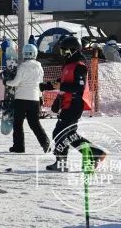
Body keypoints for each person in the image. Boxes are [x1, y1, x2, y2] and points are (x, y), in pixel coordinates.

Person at [46, 36, 106, 171]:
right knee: (68, 135)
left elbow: (78, 88)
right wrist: (46, 87)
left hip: (75, 104)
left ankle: (63, 163)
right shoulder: (67, 65)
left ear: (73, 50)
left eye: (65, 51)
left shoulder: (80, 66)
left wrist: (60, 86)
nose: (63, 54)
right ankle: (94, 154)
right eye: (62, 51)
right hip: (67, 104)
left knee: (60, 132)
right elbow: (62, 83)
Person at [5, 44, 50, 153]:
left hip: (21, 99)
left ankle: (19, 146)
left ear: (24, 54)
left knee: (18, 123)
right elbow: (40, 84)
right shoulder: (39, 67)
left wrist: (6, 82)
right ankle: (45, 143)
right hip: (34, 99)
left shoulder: (23, 67)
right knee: (34, 123)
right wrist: (40, 98)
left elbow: (16, 83)